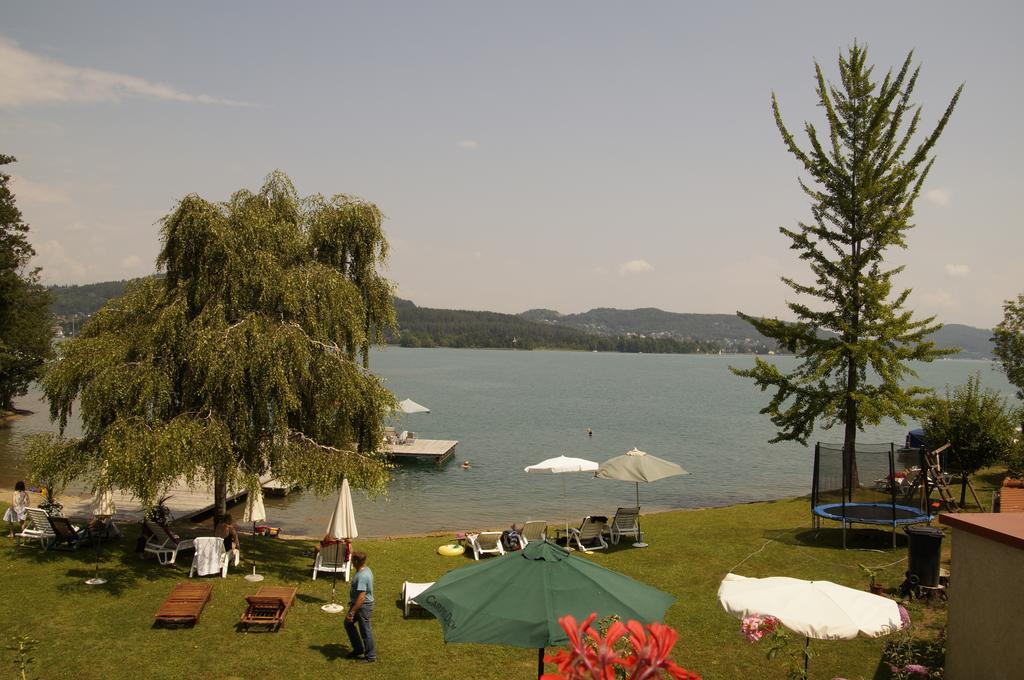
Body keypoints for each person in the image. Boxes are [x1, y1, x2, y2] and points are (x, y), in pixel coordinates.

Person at [344, 551, 376, 662]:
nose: (351, 562)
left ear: (357, 561)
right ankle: (358, 649)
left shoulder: (362, 576)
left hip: (363, 606)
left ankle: (370, 656)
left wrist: (352, 612)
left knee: (365, 630)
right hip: (359, 604)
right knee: (348, 624)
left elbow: (362, 597)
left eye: (352, 560)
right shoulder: (366, 569)